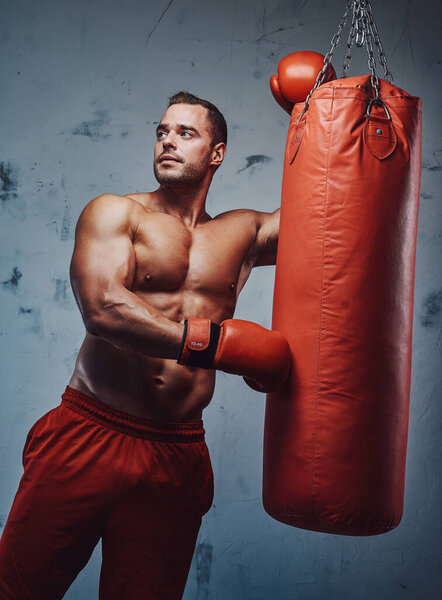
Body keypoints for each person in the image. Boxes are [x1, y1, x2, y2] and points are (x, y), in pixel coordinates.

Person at [0, 91, 287, 599]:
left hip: (175, 454)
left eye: (185, 133)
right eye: (161, 132)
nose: (167, 142)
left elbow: (328, 213)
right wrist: (211, 346)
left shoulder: (243, 232)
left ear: (216, 153)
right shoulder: (116, 214)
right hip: (89, 432)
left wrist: (323, 118)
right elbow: (104, 308)